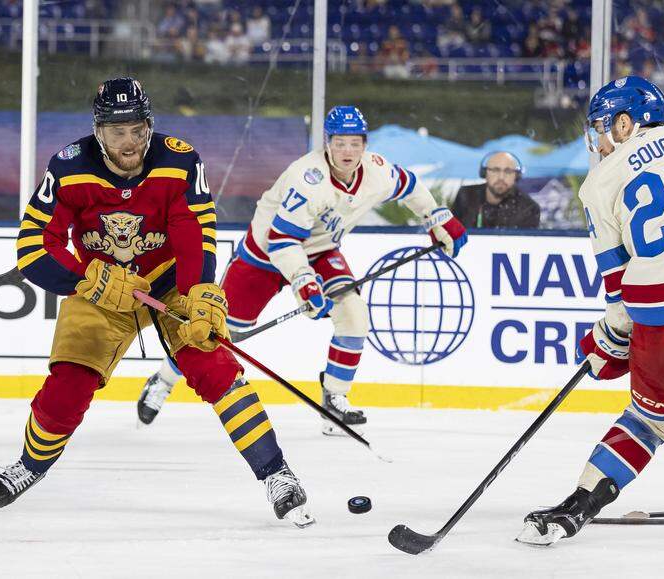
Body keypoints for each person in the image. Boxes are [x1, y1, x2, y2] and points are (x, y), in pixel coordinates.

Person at [0, 78, 314, 527]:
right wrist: (86, 278)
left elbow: (193, 230)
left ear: (149, 126)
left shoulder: (178, 160)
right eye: (117, 131)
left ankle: (276, 473)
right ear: (99, 131)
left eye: (137, 130)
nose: (129, 142)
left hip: (168, 283)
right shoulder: (67, 167)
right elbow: (33, 248)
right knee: (68, 384)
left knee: (215, 367)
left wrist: (199, 291)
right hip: (100, 290)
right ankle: (30, 465)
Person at [136, 105, 468, 435]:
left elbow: (408, 185)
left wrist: (438, 217)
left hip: (320, 250)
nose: (348, 151)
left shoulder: (376, 171)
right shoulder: (307, 178)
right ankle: (163, 380)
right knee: (219, 332)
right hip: (264, 255)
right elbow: (282, 240)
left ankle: (334, 398)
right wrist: (304, 283)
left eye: (355, 143)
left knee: (353, 312)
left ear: (365, 144)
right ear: (327, 143)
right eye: (340, 142)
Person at [517, 76, 664, 546]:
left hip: (662, 331)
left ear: (624, 123)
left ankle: (577, 507)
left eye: (599, 128)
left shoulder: (598, 185)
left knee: (648, 421)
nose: (596, 142)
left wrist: (607, 344)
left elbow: (619, 295)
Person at [450, 151, 540, 229]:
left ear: (516, 176)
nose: (501, 177)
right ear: (484, 173)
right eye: (495, 170)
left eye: (508, 171)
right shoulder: (466, 195)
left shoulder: (529, 208)